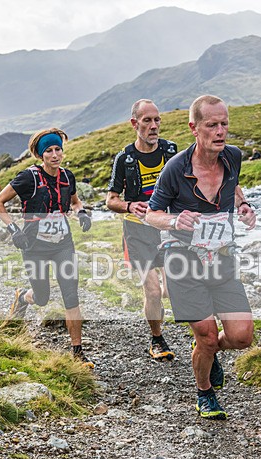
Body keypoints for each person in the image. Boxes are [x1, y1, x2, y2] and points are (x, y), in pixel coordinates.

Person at [146, 95, 257, 420]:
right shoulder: (175, 170)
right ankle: (204, 392)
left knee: (240, 336)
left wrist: (244, 206)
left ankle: (210, 353)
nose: (220, 131)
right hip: (183, 261)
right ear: (195, 128)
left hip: (222, 258)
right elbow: (152, 214)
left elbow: (235, 187)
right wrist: (174, 221)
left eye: (224, 124)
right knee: (206, 334)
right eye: (213, 125)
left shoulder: (232, 156)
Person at [0, 128, 95, 367]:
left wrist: (82, 214)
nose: (55, 154)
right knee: (42, 297)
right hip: (34, 246)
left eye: (58, 149)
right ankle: (22, 297)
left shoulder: (68, 177)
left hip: (63, 244)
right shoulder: (28, 178)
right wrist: (14, 230)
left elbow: (75, 201)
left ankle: (77, 353)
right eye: (49, 151)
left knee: (71, 294)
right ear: (40, 155)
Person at [106, 99, 178, 362]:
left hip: (168, 230)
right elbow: (110, 200)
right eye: (147, 120)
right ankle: (157, 339)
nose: (154, 126)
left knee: (172, 290)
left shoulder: (171, 151)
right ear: (134, 123)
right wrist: (128, 205)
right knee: (153, 290)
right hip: (137, 232)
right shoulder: (124, 159)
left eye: (157, 120)